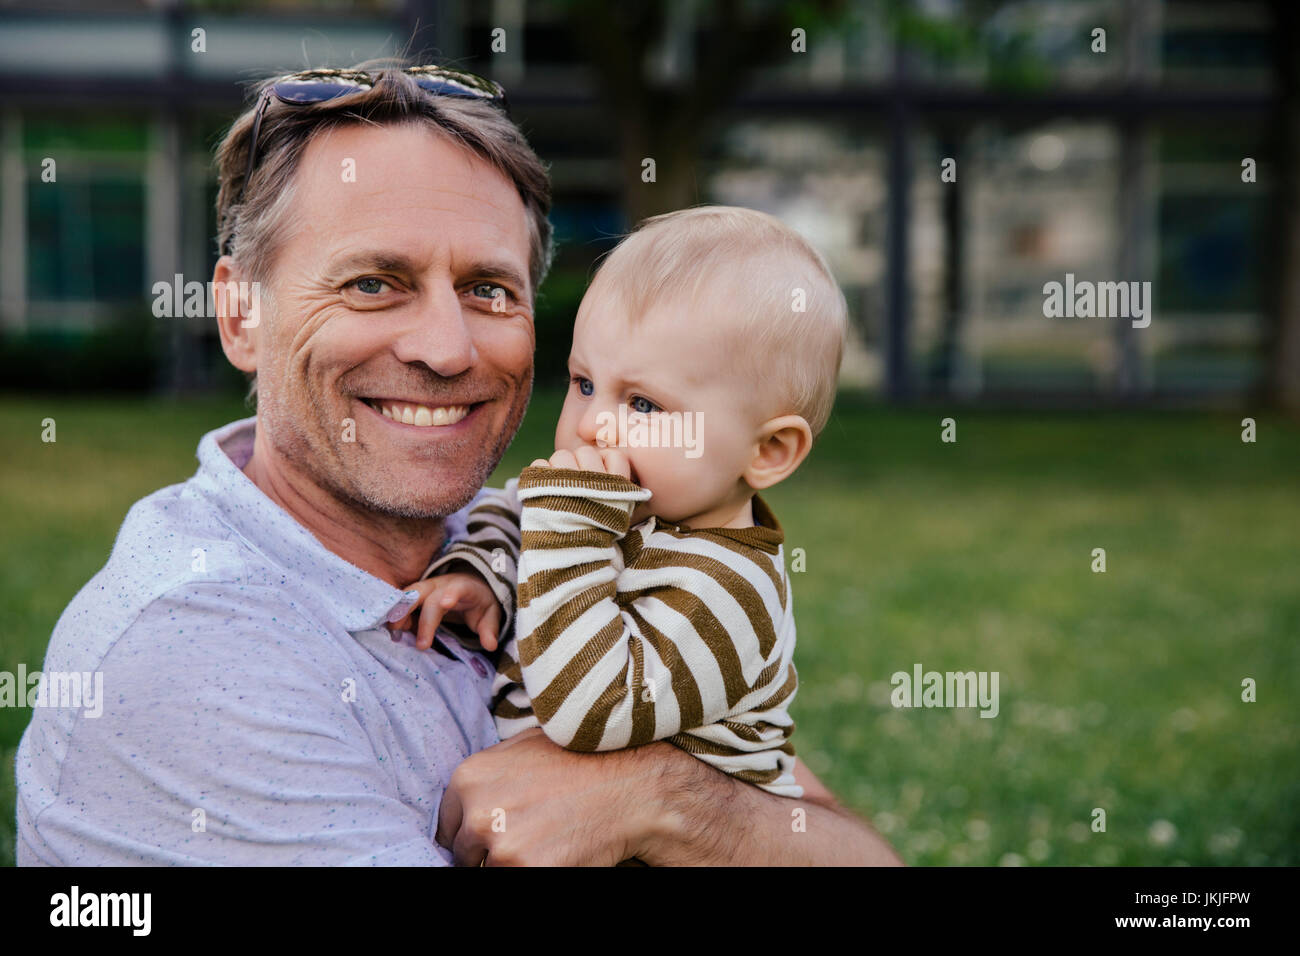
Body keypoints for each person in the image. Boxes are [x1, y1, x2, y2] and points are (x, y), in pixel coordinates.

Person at [15, 63, 901, 866]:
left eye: (488, 290)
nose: (446, 349)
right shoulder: (199, 651)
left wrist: (665, 803)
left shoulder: (624, 551)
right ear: (242, 315)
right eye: (372, 283)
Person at [397, 206, 848, 801]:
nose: (593, 426)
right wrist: (485, 573)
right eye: (584, 385)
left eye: (642, 405)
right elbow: (516, 512)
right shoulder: (605, 510)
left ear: (767, 450)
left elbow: (590, 712)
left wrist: (573, 534)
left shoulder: (730, 593)